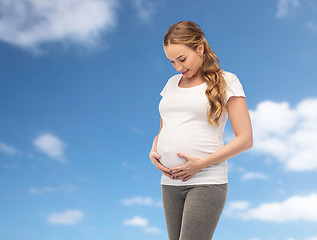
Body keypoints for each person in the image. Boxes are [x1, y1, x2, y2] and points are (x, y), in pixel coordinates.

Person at [149, 21, 253, 240]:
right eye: (172, 62)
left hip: (206, 180)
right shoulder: (171, 83)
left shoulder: (228, 81)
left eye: (182, 59)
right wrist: (154, 149)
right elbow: (166, 126)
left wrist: (201, 164)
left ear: (200, 48)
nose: (178, 67)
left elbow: (245, 139)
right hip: (170, 182)